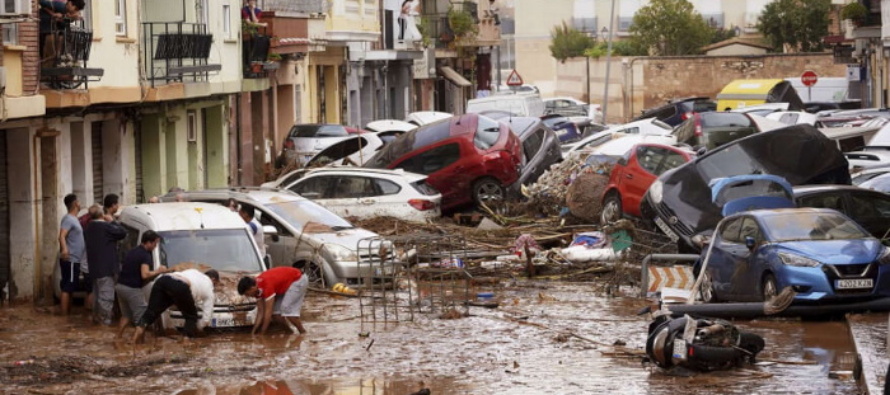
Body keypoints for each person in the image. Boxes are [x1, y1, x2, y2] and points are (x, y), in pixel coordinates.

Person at [132, 269, 219, 343]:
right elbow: (207, 318)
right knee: (191, 317)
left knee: (151, 312)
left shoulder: (194, 271)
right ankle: (186, 343)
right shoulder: (209, 287)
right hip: (181, 286)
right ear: (214, 280)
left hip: (163, 279)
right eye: (216, 284)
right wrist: (198, 328)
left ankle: (134, 342)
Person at [115, 231, 168, 339]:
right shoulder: (145, 255)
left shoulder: (132, 251)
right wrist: (159, 271)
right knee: (143, 317)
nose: (155, 246)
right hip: (132, 289)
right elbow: (145, 274)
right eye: (155, 244)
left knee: (126, 315)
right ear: (148, 242)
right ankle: (138, 343)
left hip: (120, 287)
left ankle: (118, 337)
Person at [84, 194, 126, 325]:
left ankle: (97, 322)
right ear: (102, 214)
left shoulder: (89, 227)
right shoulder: (105, 227)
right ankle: (104, 325)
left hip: (94, 269)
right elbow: (122, 233)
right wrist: (112, 221)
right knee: (106, 298)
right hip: (106, 269)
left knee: (97, 297)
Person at [237, 267, 308, 335]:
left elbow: (268, 313)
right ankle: (289, 332)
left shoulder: (266, 286)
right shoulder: (256, 290)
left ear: (252, 288)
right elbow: (260, 312)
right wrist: (253, 332)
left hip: (298, 279)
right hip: (286, 285)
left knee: (286, 309)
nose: (248, 296)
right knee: (275, 314)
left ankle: (302, 332)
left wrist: (262, 334)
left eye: (247, 293)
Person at [58, 193, 85, 315]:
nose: (80, 203)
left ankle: (67, 314)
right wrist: (64, 249)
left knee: (70, 287)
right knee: (67, 288)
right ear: (75, 204)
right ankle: (64, 317)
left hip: (75, 259)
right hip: (71, 259)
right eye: (78, 201)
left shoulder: (74, 219)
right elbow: (62, 236)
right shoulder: (68, 219)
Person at [38, 0, 85, 68]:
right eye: (75, 10)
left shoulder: (68, 14)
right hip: (43, 30)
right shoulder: (60, 6)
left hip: (49, 33)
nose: (75, 12)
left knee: (47, 56)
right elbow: (42, 2)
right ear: (72, 5)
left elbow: (63, 25)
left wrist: (62, 18)